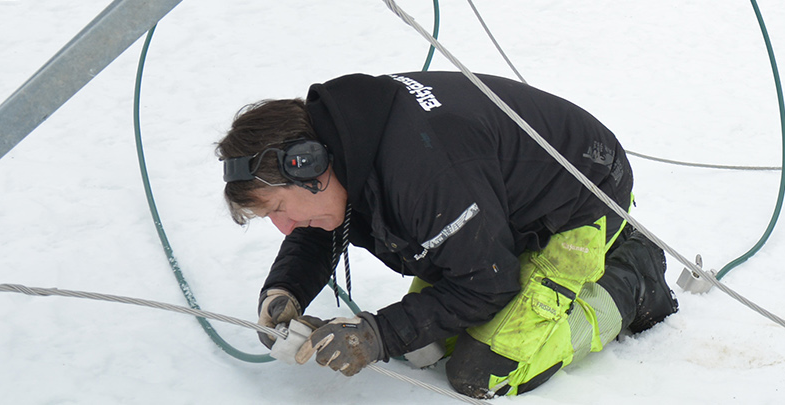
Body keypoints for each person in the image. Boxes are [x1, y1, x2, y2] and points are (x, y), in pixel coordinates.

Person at [217, 71, 678, 398]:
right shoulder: (348, 141)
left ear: (310, 165)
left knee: (483, 370)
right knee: (425, 345)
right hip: (492, 210)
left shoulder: (424, 174)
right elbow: (320, 225)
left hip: (584, 202)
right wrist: (286, 290)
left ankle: (632, 277)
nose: (283, 226)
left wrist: (376, 334)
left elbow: (487, 283)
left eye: (277, 208)